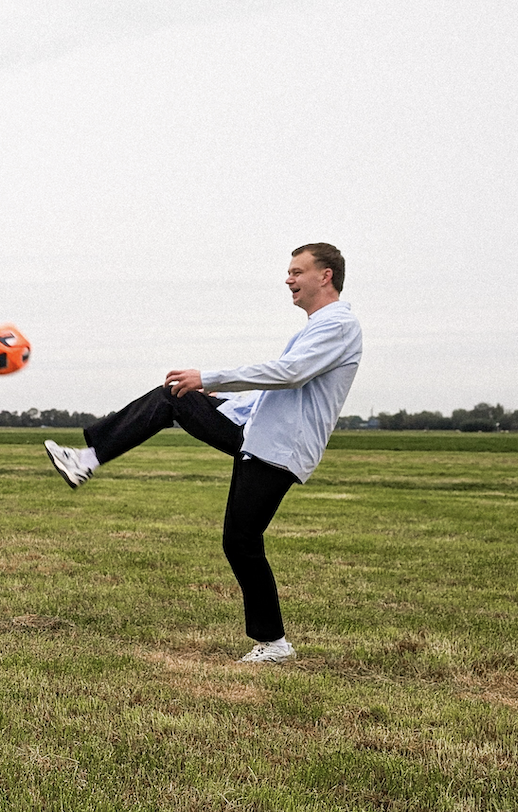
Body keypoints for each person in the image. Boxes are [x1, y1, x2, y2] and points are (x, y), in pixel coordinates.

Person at [43, 244, 361, 664]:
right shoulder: (319, 325)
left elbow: (290, 374)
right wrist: (215, 395)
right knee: (173, 395)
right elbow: (282, 388)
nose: (288, 279)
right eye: (288, 271)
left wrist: (209, 376)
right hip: (257, 433)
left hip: (278, 448)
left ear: (325, 276)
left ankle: (275, 644)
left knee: (241, 541)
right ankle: (87, 458)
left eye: (296, 271)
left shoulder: (338, 324)